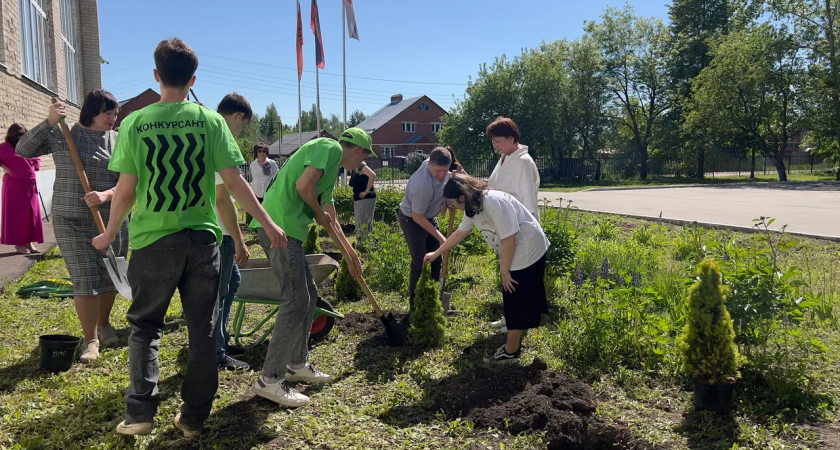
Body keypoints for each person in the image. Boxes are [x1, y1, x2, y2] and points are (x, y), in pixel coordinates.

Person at [92, 38, 287, 438]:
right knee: (202, 331)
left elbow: (125, 191)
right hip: (202, 243)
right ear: (193, 78)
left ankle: (140, 414)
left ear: (156, 75)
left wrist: (109, 234)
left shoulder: (135, 123)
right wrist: (267, 223)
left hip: (151, 243)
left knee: (145, 327)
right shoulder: (211, 122)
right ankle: (194, 418)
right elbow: (234, 183)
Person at [250, 128, 372, 408]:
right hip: (279, 228)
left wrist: (350, 254)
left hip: (288, 230)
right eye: (364, 159)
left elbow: (330, 218)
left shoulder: (331, 170)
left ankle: (296, 362)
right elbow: (304, 188)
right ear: (357, 150)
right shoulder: (329, 148)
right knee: (295, 300)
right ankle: (269, 379)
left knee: (309, 295)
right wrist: (317, 214)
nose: (361, 167)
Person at [17, 90, 127, 363]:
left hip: (111, 220)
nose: (113, 119)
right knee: (85, 278)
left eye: (115, 114)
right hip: (71, 220)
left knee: (109, 276)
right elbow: (22, 150)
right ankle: (90, 340)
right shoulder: (63, 133)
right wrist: (49, 121)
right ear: (91, 112)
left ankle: (103, 324)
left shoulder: (119, 140)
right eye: (107, 113)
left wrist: (107, 194)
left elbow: (131, 179)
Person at [424, 174, 549, 363]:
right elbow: (459, 233)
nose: (452, 208)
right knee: (516, 296)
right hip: (515, 247)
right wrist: (436, 253)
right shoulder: (472, 208)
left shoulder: (493, 202)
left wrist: (505, 271)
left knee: (514, 295)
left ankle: (511, 351)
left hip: (527, 246)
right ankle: (515, 331)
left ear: (462, 197)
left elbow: (510, 238)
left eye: (452, 203)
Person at [485, 116, 541, 331]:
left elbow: (528, 200)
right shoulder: (506, 158)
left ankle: (518, 322)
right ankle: (511, 316)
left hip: (519, 227)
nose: (495, 145)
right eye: (493, 141)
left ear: (511, 138)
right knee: (509, 272)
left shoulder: (523, 162)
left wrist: (521, 230)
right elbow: (493, 187)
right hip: (505, 223)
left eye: (497, 141)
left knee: (517, 276)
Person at [213, 93, 253, 371]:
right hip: (219, 231)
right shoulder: (220, 139)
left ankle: (220, 340)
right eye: (243, 126)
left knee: (231, 283)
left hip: (214, 228)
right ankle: (215, 352)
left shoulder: (207, 131)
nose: (241, 133)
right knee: (218, 292)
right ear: (238, 116)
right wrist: (239, 240)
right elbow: (222, 198)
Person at [398, 147, 452, 312]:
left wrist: (452, 179)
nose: (441, 175)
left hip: (428, 217)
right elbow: (418, 217)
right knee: (420, 262)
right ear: (429, 164)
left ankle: (432, 298)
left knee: (436, 258)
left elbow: (446, 175)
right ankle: (416, 307)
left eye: (445, 170)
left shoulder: (436, 166)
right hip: (412, 220)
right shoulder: (422, 185)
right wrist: (442, 237)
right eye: (438, 171)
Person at [1, 124, 43, 254]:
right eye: (19, 134)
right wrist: (3, 166)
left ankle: (29, 243)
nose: (22, 136)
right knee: (17, 216)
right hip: (14, 186)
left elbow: (37, 158)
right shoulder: (4, 147)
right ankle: (19, 244)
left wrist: (35, 164)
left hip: (30, 185)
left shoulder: (28, 146)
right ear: (12, 135)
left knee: (31, 215)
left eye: (25, 133)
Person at [349, 161, 376, 245]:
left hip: (366, 198)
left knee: (364, 222)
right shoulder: (354, 169)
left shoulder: (363, 167)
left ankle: (366, 244)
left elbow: (373, 175)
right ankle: (361, 243)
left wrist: (366, 191)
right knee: (359, 221)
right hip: (358, 199)